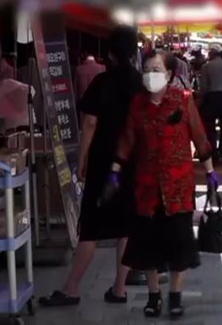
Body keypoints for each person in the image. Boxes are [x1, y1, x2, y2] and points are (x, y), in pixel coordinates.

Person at [106, 49, 219, 318]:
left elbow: (199, 136)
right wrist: (114, 170)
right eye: (146, 71)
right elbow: (127, 140)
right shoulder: (137, 104)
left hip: (178, 185)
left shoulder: (183, 100)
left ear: (169, 74)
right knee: (148, 245)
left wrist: (210, 173)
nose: (150, 76)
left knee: (179, 243)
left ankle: (175, 296)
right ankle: (154, 295)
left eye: (156, 70)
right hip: (146, 186)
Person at [39, 27, 141, 308]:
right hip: (132, 163)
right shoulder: (141, 84)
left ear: (110, 53)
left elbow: (90, 123)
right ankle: (119, 288)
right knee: (126, 227)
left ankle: (71, 288)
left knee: (91, 227)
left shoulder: (102, 82)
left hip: (103, 163)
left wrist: (82, 158)